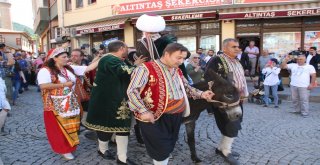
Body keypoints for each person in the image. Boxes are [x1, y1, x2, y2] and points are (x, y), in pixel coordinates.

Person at [127, 43, 214, 165]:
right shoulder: (144, 68)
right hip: (154, 116)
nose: (181, 61)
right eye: (178, 57)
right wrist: (143, 111)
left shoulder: (177, 70)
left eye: (183, 58)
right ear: (166, 54)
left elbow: (186, 87)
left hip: (175, 116)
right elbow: (132, 91)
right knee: (160, 148)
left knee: (169, 145)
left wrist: (201, 94)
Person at [84, 41, 145, 165]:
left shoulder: (119, 59)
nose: (127, 50)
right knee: (106, 127)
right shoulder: (109, 59)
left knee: (123, 128)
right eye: (127, 48)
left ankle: (122, 158)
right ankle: (102, 149)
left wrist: (135, 64)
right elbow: (126, 71)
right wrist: (137, 65)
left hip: (119, 99)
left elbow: (127, 69)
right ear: (122, 48)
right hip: (107, 101)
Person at [37, 47, 100, 160]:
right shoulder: (45, 70)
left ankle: (69, 146)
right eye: (64, 57)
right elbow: (43, 86)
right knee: (59, 128)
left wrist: (103, 57)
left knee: (73, 125)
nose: (67, 59)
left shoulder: (69, 68)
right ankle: (63, 149)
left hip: (71, 102)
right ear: (55, 58)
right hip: (54, 104)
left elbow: (88, 67)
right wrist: (64, 85)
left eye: (67, 56)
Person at [205, 38, 248, 165]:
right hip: (225, 101)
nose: (237, 49)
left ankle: (221, 148)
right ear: (224, 48)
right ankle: (226, 151)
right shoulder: (216, 60)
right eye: (233, 47)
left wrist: (244, 95)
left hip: (236, 99)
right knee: (231, 124)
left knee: (236, 122)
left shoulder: (236, 60)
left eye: (238, 47)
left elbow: (241, 79)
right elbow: (208, 78)